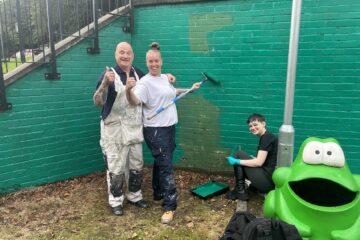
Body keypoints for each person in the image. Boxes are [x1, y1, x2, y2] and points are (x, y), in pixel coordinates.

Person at [93, 41, 175, 216]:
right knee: (116, 166)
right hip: (113, 130)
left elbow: (153, 82)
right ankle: (116, 201)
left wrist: (165, 77)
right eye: (121, 52)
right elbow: (97, 101)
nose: (125, 56)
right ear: (116, 55)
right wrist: (105, 85)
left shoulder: (138, 73)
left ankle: (135, 196)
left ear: (133, 55)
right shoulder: (109, 74)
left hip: (134, 128)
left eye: (128, 53)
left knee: (136, 164)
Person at [126, 42, 201, 224]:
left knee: (161, 162)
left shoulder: (164, 78)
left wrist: (189, 89)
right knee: (166, 166)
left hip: (169, 128)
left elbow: (172, 92)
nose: (154, 64)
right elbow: (135, 101)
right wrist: (128, 90)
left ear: (161, 61)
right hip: (155, 130)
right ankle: (169, 205)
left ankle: (158, 192)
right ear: (147, 62)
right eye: (150, 61)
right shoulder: (144, 83)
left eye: (156, 61)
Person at [225, 113, 278, 201]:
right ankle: (245, 189)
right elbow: (266, 161)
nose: (252, 128)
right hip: (270, 181)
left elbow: (258, 163)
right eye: (250, 126)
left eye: (255, 124)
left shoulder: (266, 138)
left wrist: (236, 161)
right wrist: (251, 158)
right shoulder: (268, 137)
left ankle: (240, 191)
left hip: (267, 183)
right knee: (244, 158)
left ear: (263, 124)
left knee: (238, 154)